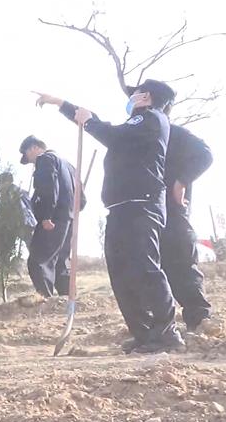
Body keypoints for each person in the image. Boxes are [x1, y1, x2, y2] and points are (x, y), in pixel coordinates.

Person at [35, 81, 183, 353]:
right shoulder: (136, 124)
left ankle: (166, 333)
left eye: (136, 92)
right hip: (122, 207)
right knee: (121, 272)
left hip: (141, 205)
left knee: (145, 268)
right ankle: (144, 334)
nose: (132, 97)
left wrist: (89, 122)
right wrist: (64, 105)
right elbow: (107, 129)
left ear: (146, 97)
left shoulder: (151, 119)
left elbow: (109, 134)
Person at [161, 120, 214, 331]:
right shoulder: (139, 133)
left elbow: (204, 154)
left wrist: (181, 182)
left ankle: (199, 321)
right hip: (144, 214)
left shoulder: (173, 132)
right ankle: (160, 326)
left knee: (181, 264)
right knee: (153, 270)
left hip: (172, 211)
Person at [18, 136, 78, 298]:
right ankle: (67, 300)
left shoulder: (44, 159)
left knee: (38, 261)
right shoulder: (68, 165)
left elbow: (48, 188)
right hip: (68, 220)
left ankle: (45, 301)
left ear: (32, 148)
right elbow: (82, 197)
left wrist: (46, 216)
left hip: (52, 219)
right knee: (60, 262)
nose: (31, 162)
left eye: (28, 156)